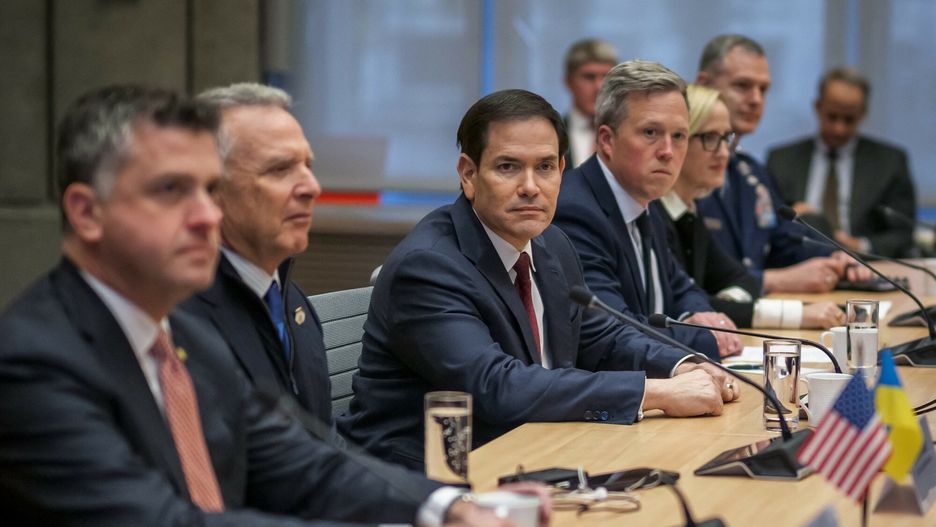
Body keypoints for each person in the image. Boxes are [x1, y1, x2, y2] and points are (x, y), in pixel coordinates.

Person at [0, 84, 538, 526]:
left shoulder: (177, 338)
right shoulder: (33, 362)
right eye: (172, 191)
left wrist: (449, 508)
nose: (206, 217)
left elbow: (297, 460)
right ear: (87, 213)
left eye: (210, 190)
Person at [339, 88, 736, 471]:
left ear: (562, 171)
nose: (530, 187)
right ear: (469, 174)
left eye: (545, 167)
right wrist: (655, 393)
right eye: (508, 166)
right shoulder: (428, 267)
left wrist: (683, 365)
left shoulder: (550, 244)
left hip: (535, 450)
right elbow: (496, 387)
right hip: (430, 476)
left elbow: (600, 339)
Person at [181, 83, 340, 443]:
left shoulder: (291, 298)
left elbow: (323, 445)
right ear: (210, 189)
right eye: (280, 169)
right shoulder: (180, 317)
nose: (311, 186)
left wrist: (444, 500)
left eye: (308, 165)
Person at [553, 60, 741, 360]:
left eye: (679, 136)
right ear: (606, 140)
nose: (668, 151)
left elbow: (682, 287)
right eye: (651, 132)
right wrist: (705, 339)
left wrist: (702, 315)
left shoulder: (645, 202)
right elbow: (610, 333)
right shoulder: (577, 212)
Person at [656, 84, 845, 329]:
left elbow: (740, 281)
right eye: (710, 138)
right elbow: (681, 307)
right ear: (678, 141)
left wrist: (724, 303)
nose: (724, 152)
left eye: (727, 138)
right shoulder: (655, 216)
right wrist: (799, 315)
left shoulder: (688, 213)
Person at [694, 34, 868, 294]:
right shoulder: (680, 170)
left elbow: (782, 242)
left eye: (763, 89)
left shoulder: (750, 172)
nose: (756, 100)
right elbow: (693, 276)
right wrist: (776, 281)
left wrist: (834, 257)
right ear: (704, 84)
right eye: (743, 86)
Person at [767, 66, 916, 257]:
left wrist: (860, 245)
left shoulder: (890, 162)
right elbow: (763, 224)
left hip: (863, 265)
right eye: (832, 116)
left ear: (863, 113)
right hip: (798, 262)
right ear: (818, 107)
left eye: (849, 119)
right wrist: (792, 218)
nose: (839, 129)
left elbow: (902, 233)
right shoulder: (781, 160)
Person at [562, 38, 618, 169]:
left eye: (606, 77)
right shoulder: (552, 134)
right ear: (569, 82)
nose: (599, 86)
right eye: (589, 77)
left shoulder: (629, 134)